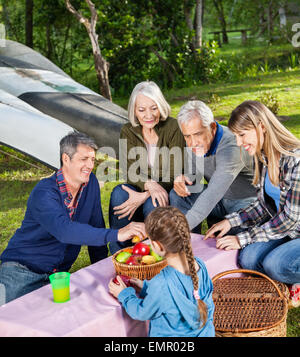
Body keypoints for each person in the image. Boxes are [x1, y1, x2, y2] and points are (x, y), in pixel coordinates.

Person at [0, 132, 146, 305]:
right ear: (66, 159)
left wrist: (104, 271)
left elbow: (95, 224)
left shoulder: (90, 182)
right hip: (21, 272)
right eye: (84, 159)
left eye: (92, 159)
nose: (90, 165)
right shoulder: (44, 193)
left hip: (58, 278)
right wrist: (117, 234)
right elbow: (65, 231)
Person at [204, 100, 300, 291]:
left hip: (293, 228)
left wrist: (242, 238)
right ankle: (286, 283)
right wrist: (231, 222)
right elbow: (264, 206)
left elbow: (290, 218)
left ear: (261, 127)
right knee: (248, 259)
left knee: (276, 264)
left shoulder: (295, 160)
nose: (239, 143)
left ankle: (290, 278)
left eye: (242, 135)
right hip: (287, 232)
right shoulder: (263, 156)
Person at [108, 206, 215, 337]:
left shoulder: (162, 283)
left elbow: (142, 312)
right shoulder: (199, 265)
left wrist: (124, 294)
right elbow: (192, 295)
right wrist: (146, 287)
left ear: (157, 246)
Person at [108, 81, 185, 253]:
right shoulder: (128, 130)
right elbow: (129, 170)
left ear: (161, 106)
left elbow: (173, 173)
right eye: (141, 110)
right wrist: (149, 185)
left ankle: (154, 256)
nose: (148, 115)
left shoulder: (173, 127)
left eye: (153, 108)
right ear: (134, 111)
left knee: (154, 202)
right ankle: (120, 253)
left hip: (167, 189)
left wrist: (143, 195)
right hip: (143, 187)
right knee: (119, 194)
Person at [169, 100, 257, 233]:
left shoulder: (232, 145)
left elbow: (212, 193)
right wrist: (183, 180)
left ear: (212, 127)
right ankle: (188, 243)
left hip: (245, 201)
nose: (193, 142)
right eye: (187, 136)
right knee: (178, 195)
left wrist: (177, 229)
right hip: (220, 200)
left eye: (198, 134)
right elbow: (193, 177)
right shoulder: (193, 142)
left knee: (226, 241)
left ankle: (181, 234)